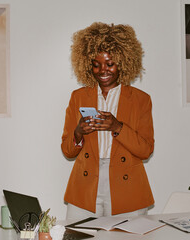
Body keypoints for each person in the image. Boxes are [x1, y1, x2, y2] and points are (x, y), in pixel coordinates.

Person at [61, 22, 154, 219]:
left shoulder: (141, 100)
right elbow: (67, 151)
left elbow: (146, 150)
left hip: (127, 184)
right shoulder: (78, 97)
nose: (103, 70)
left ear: (124, 61)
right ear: (87, 64)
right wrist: (78, 132)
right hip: (85, 185)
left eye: (110, 64)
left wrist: (117, 126)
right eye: (96, 64)